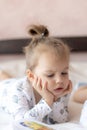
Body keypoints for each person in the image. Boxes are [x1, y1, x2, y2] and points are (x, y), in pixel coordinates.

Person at [0, 25, 72, 124]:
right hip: (5, 89)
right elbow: (22, 122)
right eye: (50, 75)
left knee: (8, 78)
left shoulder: (60, 89)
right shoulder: (19, 91)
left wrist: (56, 99)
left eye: (64, 73)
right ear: (31, 76)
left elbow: (60, 120)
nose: (60, 80)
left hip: (15, 82)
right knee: (5, 81)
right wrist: (47, 101)